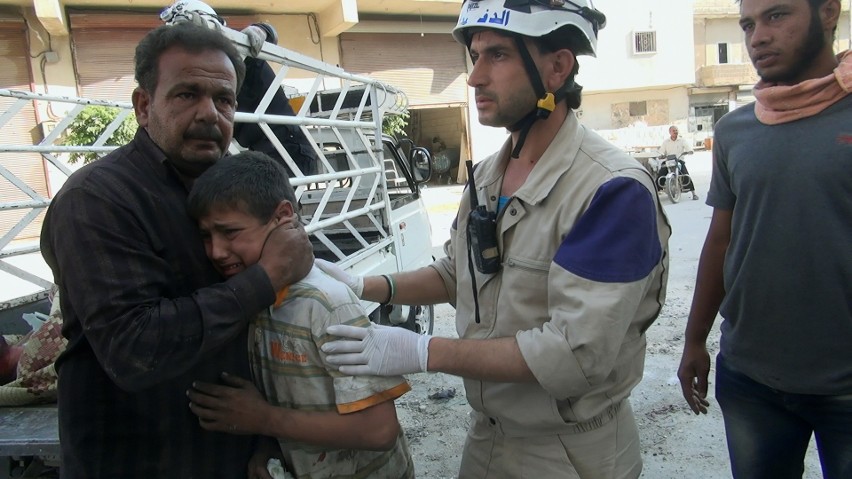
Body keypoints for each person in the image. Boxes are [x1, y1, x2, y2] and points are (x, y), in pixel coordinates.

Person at [318, 0, 672, 477]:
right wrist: (366, 287)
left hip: (570, 453)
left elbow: (572, 354)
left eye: (498, 55)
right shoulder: (488, 175)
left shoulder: (611, 190)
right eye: (476, 55)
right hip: (487, 438)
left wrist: (425, 352)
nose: (474, 77)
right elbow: (459, 271)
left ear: (557, 68)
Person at [40, 23, 313, 478]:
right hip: (134, 461)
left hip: (230, 456)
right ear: (144, 106)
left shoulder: (242, 185)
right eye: (187, 94)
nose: (211, 114)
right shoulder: (97, 199)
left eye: (224, 100)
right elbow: (134, 349)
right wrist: (264, 278)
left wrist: (266, 436)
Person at [677, 0, 852, 477]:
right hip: (752, 379)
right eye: (749, 24)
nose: (757, 37)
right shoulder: (735, 130)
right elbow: (721, 240)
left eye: (777, 16)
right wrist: (695, 340)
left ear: (829, 12)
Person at [183, 151, 415, 479]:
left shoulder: (326, 305)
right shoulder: (254, 297)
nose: (216, 251)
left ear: (283, 216)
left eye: (230, 232)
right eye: (206, 236)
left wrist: (262, 419)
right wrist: (268, 449)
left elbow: (379, 431)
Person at [160, 0, 319, 176]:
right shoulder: (200, 71)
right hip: (263, 148)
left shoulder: (237, 54)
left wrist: (259, 31)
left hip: (288, 147)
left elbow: (269, 32)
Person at [657, 125, 698, 200]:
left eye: (676, 130)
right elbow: (661, 151)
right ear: (670, 132)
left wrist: (689, 151)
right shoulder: (666, 142)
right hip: (668, 161)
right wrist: (661, 155)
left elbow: (688, 148)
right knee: (661, 174)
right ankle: (656, 192)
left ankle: (694, 193)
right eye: (674, 131)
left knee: (685, 173)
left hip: (679, 160)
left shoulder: (682, 140)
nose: (676, 132)